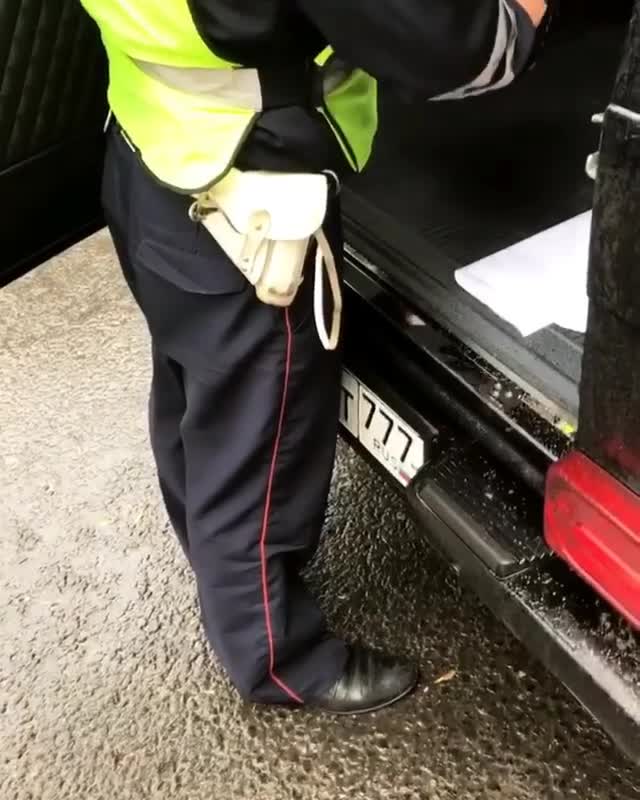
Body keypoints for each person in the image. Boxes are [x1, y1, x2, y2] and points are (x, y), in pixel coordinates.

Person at [80, 0, 548, 714]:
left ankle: (218, 562)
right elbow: (461, 46)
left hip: (156, 146)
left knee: (195, 392)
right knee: (261, 445)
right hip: (247, 196)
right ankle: (278, 658)